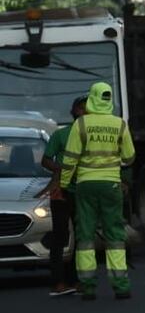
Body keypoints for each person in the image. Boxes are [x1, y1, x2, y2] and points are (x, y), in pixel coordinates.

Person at [59, 82, 136, 300]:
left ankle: (88, 286)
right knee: (115, 235)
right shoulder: (119, 124)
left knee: (85, 235)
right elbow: (130, 157)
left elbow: (70, 158)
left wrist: (64, 184)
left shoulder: (81, 125)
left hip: (85, 186)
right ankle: (120, 285)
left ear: (92, 98)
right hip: (111, 186)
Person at [38, 96, 87, 297]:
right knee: (60, 237)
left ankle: (77, 280)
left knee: (83, 236)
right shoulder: (61, 135)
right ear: (75, 111)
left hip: (84, 192)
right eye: (83, 109)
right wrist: (64, 169)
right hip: (61, 191)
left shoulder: (92, 135)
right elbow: (46, 160)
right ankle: (58, 281)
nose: (87, 112)